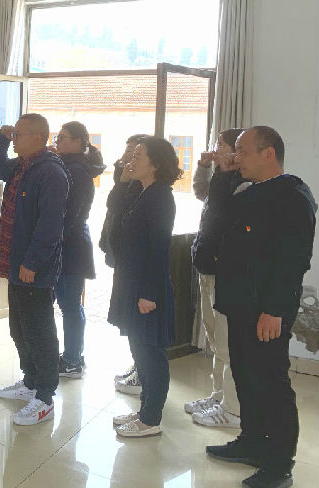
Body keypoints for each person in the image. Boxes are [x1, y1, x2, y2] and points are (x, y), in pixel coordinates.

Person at [207, 126, 316, 488]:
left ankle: (280, 465)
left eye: (243, 151)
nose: (236, 158)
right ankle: (252, 442)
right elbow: (219, 216)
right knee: (245, 376)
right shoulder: (250, 191)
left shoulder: (293, 196)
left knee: (271, 384)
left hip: (265, 310)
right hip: (240, 304)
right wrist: (224, 175)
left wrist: (275, 309)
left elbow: (292, 261)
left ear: (268, 154)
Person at [0, 113, 69, 426]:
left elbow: (50, 225)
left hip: (34, 267)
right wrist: (0, 137)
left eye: (18, 135)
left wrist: (32, 262)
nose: (14, 139)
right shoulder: (22, 166)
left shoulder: (50, 172)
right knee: (19, 328)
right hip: (16, 262)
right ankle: (31, 381)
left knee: (39, 332)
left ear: (38, 137)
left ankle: (45, 397)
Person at [108, 136, 181, 438]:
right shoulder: (142, 191)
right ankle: (144, 411)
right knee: (139, 351)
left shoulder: (160, 197)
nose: (131, 160)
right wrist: (125, 179)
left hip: (147, 289)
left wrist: (148, 294)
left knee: (150, 355)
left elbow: (159, 248)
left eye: (139, 156)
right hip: (133, 282)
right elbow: (114, 208)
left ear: (156, 164)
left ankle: (151, 420)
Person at [186, 128, 246, 427]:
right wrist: (203, 166)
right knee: (214, 338)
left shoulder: (243, 182)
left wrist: (223, 172)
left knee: (228, 342)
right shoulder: (223, 178)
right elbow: (202, 194)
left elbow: (222, 211)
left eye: (222, 145)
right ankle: (219, 395)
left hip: (226, 271)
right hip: (208, 265)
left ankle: (233, 408)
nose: (216, 149)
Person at [53, 121, 106, 378]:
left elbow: (70, 214)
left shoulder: (78, 171)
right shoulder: (70, 165)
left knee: (70, 305)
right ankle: (72, 355)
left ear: (78, 141)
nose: (58, 142)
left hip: (70, 245)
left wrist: (53, 240)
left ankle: (73, 359)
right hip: (68, 242)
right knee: (69, 304)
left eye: (63, 137)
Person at [100, 133, 147, 395]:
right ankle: (137, 364)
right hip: (122, 254)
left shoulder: (148, 188)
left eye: (135, 152)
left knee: (136, 319)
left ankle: (143, 371)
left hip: (135, 261)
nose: (128, 156)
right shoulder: (128, 179)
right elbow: (113, 206)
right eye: (128, 150)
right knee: (127, 317)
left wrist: (125, 179)